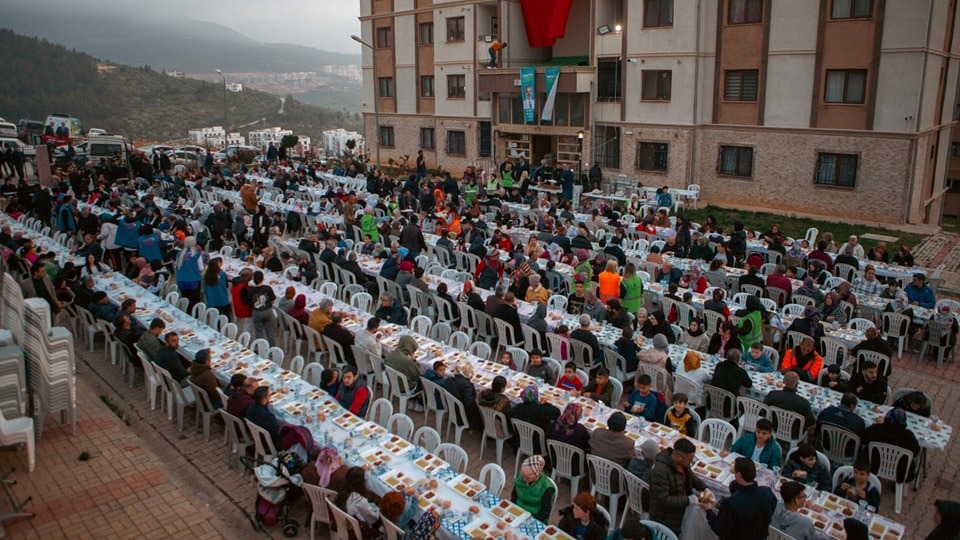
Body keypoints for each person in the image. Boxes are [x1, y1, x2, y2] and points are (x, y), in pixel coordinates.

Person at [706, 457, 777, 539]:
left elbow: (720, 530)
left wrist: (708, 510)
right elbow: (772, 508)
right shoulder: (766, 492)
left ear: (739, 475)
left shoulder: (731, 502)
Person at [649, 438, 706, 535]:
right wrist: (688, 500)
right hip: (666, 517)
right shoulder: (660, 471)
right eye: (690, 459)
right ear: (679, 456)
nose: (691, 462)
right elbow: (663, 500)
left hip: (680, 509)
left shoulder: (683, 463)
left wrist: (704, 488)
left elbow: (690, 476)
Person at [860, 407, 920, 479]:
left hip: (873, 464)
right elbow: (916, 452)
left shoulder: (876, 429)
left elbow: (863, 438)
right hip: (900, 471)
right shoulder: (909, 436)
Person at [511, 386, 560, 454]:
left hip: (521, 440)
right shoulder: (541, 410)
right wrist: (545, 404)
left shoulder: (517, 408)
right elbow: (557, 413)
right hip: (539, 444)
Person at [337, 466, 383, 537]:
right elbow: (373, 518)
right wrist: (379, 509)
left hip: (347, 522)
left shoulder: (343, 491)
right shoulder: (359, 500)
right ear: (360, 483)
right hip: (360, 530)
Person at [548, 403, 591, 474]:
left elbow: (548, 437)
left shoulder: (554, 425)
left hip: (555, 459)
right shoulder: (580, 431)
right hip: (575, 466)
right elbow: (588, 444)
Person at [511, 455, 555, 523]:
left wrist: (529, 520)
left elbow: (545, 512)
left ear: (537, 475)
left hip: (533, 518)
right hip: (517, 512)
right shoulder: (522, 477)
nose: (524, 479)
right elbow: (514, 496)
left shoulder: (547, 488)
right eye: (523, 475)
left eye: (528, 478)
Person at [385, 335, 424, 411]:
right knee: (425, 379)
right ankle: (419, 403)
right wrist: (414, 360)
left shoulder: (390, 354)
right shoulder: (407, 361)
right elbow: (416, 376)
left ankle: (412, 401)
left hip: (394, 383)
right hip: (405, 387)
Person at [444, 361, 482, 430]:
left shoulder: (448, 380)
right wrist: (477, 396)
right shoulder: (467, 385)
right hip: (462, 414)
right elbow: (469, 403)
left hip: (452, 408)